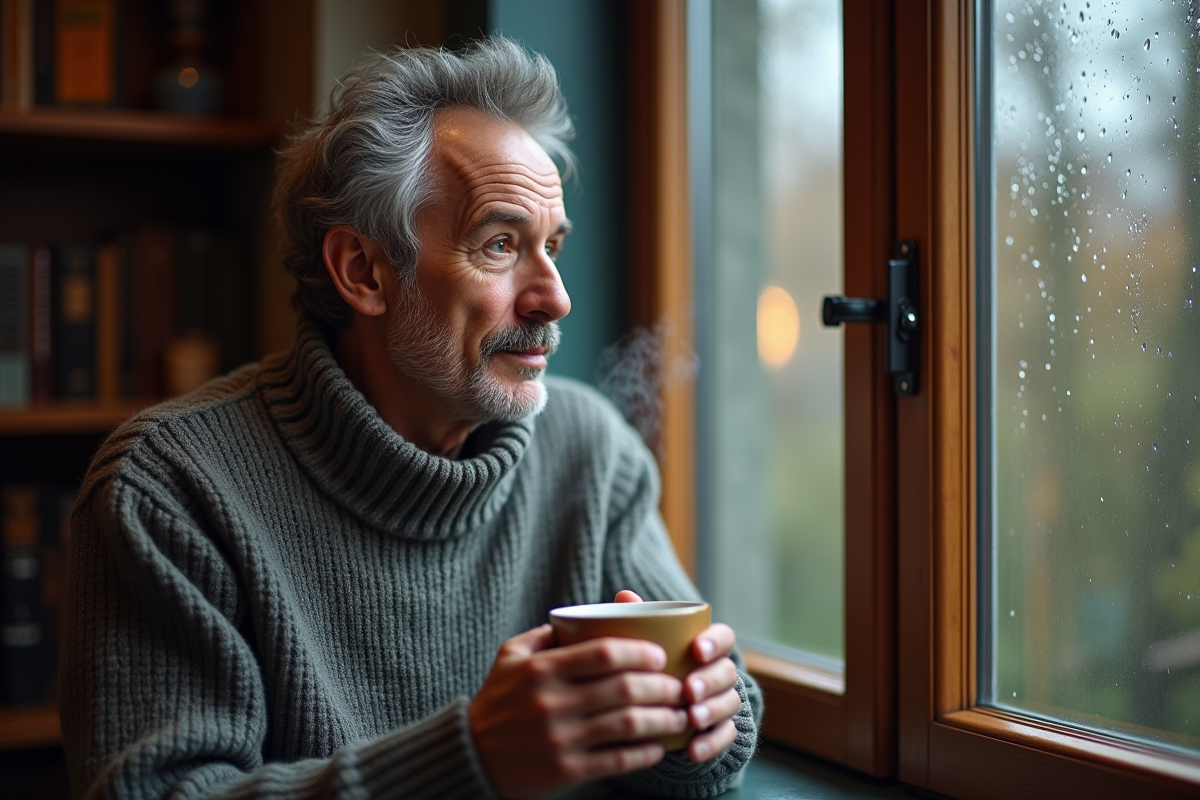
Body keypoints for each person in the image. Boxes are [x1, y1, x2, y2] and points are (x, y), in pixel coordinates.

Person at [61, 37, 761, 800]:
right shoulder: (170, 487)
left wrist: (695, 715)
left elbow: (710, 744)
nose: (555, 297)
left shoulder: (589, 447)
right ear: (363, 270)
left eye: (552, 246)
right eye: (500, 244)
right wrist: (473, 760)